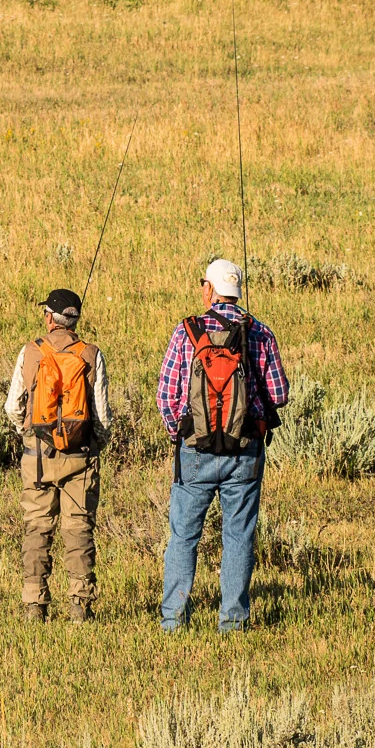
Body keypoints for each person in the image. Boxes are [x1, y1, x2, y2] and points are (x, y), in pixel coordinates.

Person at [155, 258, 288, 633]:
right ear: (238, 291)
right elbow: (279, 394)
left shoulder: (187, 332)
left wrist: (179, 434)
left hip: (195, 450)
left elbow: (165, 395)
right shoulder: (258, 332)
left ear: (208, 289)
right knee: (239, 536)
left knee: (183, 537)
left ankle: (173, 621)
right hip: (245, 451)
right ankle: (232, 622)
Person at [6, 287, 107, 623]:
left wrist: (29, 434)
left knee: (38, 529)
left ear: (50, 317)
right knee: (78, 530)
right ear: (74, 319)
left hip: (37, 458)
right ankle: (80, 606)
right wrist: (94, 444)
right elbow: (102, 415)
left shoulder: (31, 352)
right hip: (81, 457)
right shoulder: (91, 354)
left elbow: (13, 406)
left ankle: (34, 605)